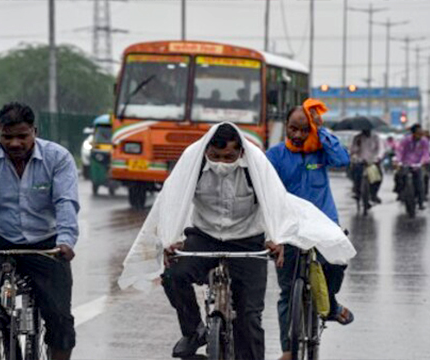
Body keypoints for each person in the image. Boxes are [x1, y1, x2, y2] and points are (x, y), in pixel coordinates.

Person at [118, 122, 355, 360]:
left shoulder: (256, 163)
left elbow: (274, 202)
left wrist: (275, 238)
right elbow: (173, 200)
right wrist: (172, 239)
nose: (221, 162)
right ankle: (193, 332)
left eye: (229, 157)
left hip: (248, 240)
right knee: (173, 275)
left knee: (249, 317)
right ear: (206, 151)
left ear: (240, 152)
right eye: (216, 156)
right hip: (204, 236)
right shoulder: (193, 159)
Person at [0, 102, 79, 360]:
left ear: (34, 131)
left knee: (60, 318)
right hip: (1, 237)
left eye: (22, 136)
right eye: (7, 137)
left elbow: (66, 202)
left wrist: (65, 241)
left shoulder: (58, 157)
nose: (14, 144)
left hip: (47, 241)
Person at [266, 99, 353, 360]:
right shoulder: (275, 155)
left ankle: (331, 304)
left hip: (323, 223)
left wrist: (321, 130)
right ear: (286, 127)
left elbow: (343, 159)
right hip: (288, 228)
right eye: (293, 128)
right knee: (287, 291)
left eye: (304, 130)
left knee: (336, 264)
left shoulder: (320, 152)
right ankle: (288, 349)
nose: (298, 135)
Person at [393, 124, 430, 210]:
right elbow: (400, 151)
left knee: (422, 180)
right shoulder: (406, 140)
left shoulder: (424, 141)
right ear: (413, 133)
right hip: (405, 163)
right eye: (418, 133)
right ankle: (399, 193)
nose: (420, 135)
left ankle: (421, 201)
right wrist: (398, 161)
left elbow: (426, 153)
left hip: (418, 164)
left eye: (421, 133)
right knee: (398, 176)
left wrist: (424, 161)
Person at [350, 124, 384, 204]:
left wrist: (378, 158)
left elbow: (381, 149)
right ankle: (357, 192)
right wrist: (357, 146)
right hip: (360, 161)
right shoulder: (357, 138)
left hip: (373, 162)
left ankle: (374, 194)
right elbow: (353, 150)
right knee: (355, 175)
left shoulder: (376, 137)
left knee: (378, 178)